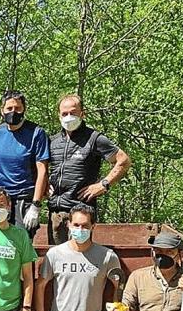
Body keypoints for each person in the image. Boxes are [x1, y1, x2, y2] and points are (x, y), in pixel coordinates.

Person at [47, 94, 130, 244]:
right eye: (64, 114)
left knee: (80, 260)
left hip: (81, 214)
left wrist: (103, 184)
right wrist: (44, 185)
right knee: (56, 261)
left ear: (82, 114)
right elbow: (38, 167)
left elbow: (123, 160)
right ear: (59, 115)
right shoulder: (53, 141)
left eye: (73, 113)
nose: (68, 117)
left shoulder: (94, 138)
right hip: (56, 214)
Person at [0, 90, 49, 237]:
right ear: (2, 110)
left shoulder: (37, 133)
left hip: (24, 198)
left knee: (21, 243)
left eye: (17, 108)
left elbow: (42, 170)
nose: (13, 112)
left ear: (24, 109)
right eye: (9, 108)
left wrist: (36, 205)